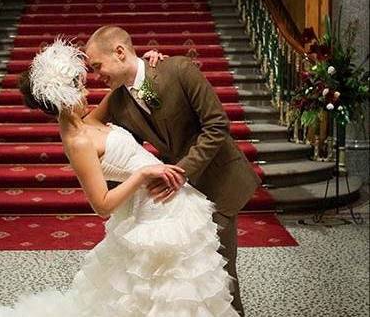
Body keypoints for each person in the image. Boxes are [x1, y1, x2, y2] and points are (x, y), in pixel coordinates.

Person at [0, 39, 240, 316]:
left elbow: (130, 84)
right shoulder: (78, 141)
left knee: (185, 291)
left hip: (169, 204)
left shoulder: (88, 121)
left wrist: (149, 62)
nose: (87, 90)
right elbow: (102, 205)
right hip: (153, 213)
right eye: (80, 87)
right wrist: (142, 174)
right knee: (167, 294)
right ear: (63, 97)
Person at [84, 26, 262, 316]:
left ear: (119, 52)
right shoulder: (118, 101)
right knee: (190, 280)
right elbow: (108, 139)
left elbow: (216, 126)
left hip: (217, 181)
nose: (96, 75)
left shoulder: (178, 69)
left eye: (97, 66)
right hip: (178, 200)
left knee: (220, 271)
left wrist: (181, 172)